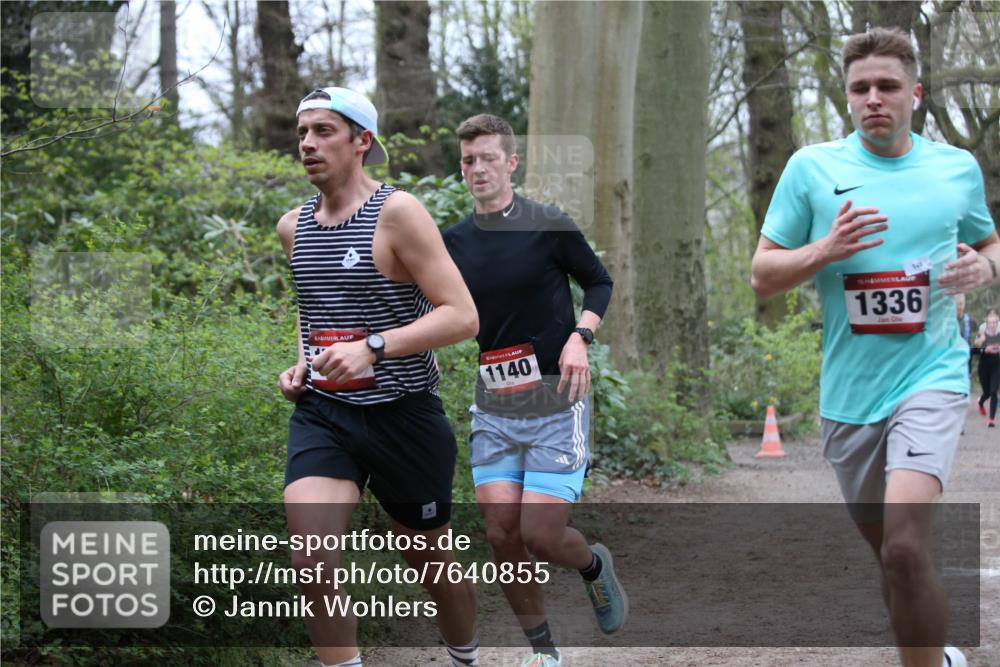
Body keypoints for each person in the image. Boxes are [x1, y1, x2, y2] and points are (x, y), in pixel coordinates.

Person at [750, 28, 999, 667]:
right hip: (850, 394)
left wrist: (985, 269)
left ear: (914, 93)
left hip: (932, 375)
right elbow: (764, 273)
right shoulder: (812, 168)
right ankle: (934, 651)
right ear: (848, 97)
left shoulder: (955, 167)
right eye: (860, 88)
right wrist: (826, 250)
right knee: (892, 557)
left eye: (888, 86)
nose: (874, 99)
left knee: (906, 549)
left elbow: (989, 243)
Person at [276, 87, 481, 667]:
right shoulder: (293, 227)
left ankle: (464, 656)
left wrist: (374, 348)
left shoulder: (397, 214)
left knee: (431, 563)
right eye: (302, 133)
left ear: (362, 141)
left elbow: (462, 316)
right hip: (325, 414)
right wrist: (302, 362)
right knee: (311, 560)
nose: (308, 144)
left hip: (404, 414)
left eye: (324, 131)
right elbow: (313, 306)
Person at [443, 114, 625, 667]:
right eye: (469, 160)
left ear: (512, 163)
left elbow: (599, 281)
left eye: (489, 158)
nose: (478, 169)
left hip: (555, 399)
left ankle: (592, 563)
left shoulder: (548, 225)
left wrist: (580, 336)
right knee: (502, 534)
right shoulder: (450, 242)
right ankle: (544, 652)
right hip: (494, 404)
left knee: (541, 536)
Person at [973, 309, 1000, 427]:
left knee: (994, 391)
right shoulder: (982, 330)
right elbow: (975, 349)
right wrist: (982, 346)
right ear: (987, 321)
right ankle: (981, 401)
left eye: (995, 321)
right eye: (990, 321)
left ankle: (991, 419)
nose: (993, 324)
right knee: (987, 393)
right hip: (984, 365)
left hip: (997, 365)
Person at [954, 294, 976, 375]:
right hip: (953, 357)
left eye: (961, 304)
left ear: (964, 304)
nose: (959, 307)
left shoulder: (969, 320)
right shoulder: (949, 321)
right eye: (957, 304)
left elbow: (977, 334)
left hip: (966, 357)